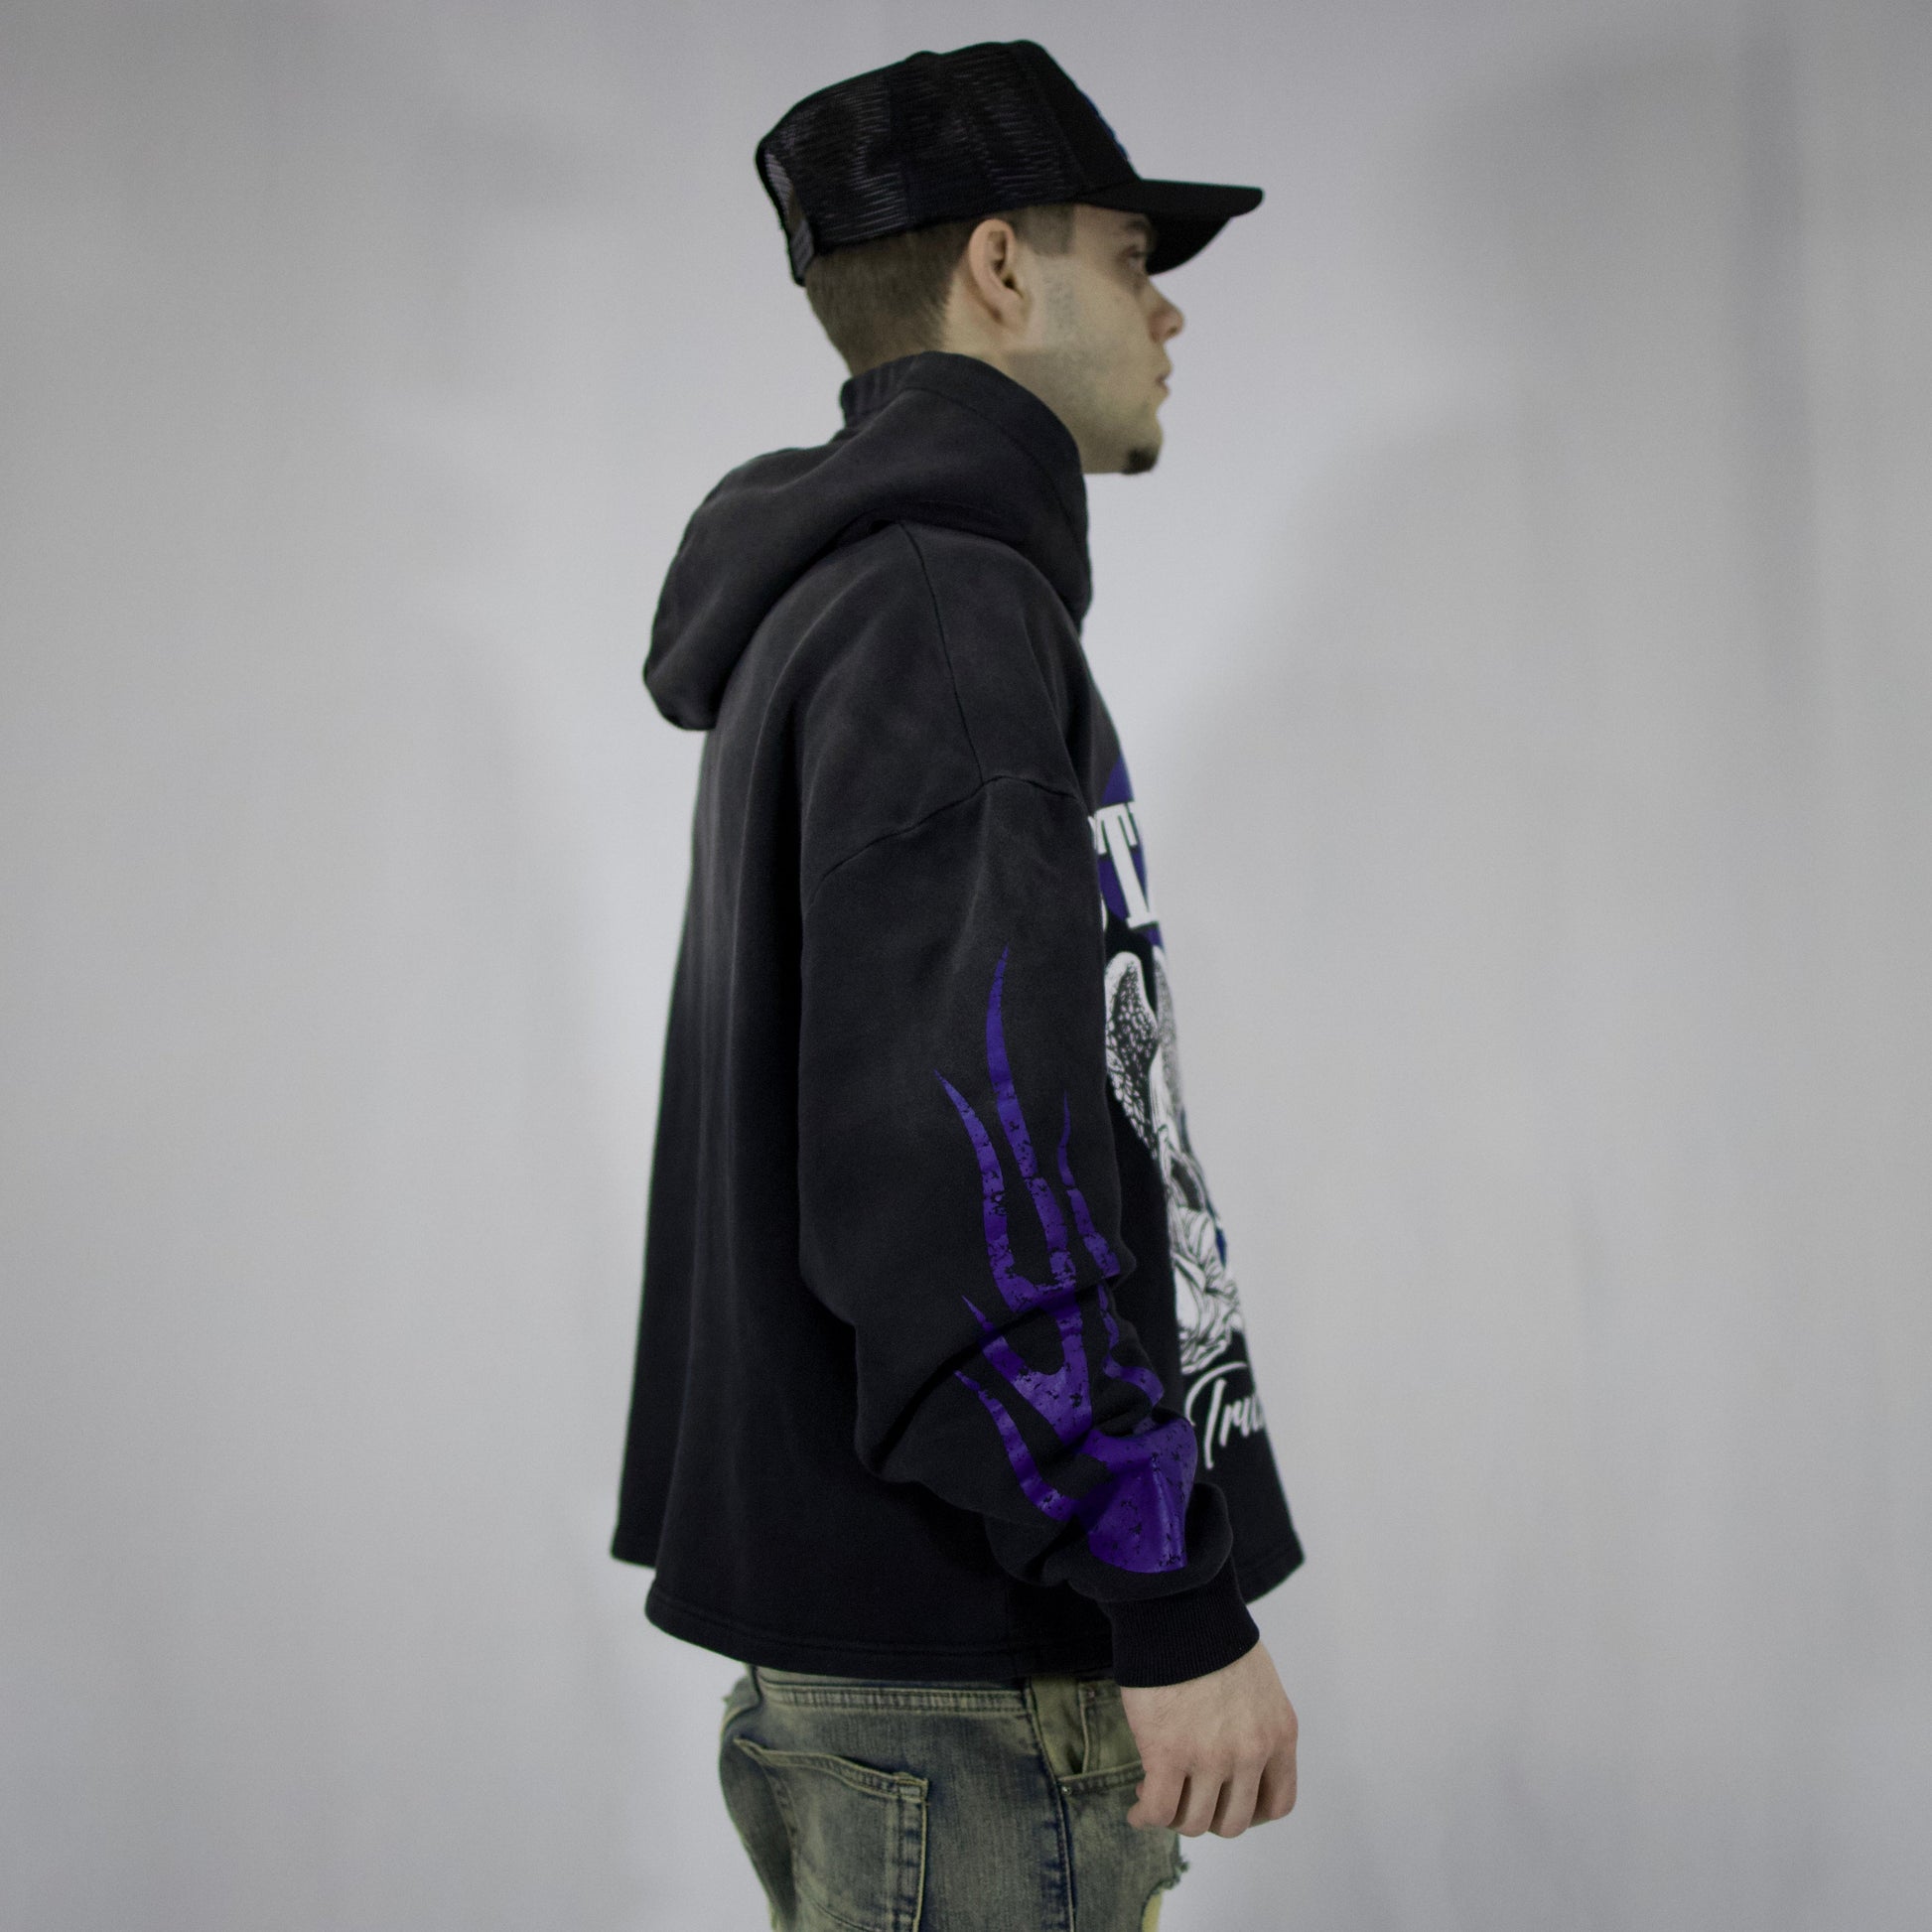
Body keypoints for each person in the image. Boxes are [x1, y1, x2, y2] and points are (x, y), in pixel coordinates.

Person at [613, 39, 1304, 1931]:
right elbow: (960, 1179)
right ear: (1001, 266)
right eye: (1130, 257)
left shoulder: (844, 599)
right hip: (980, 1667)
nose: (1167, 312)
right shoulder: (940, 610)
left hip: (900, 1659)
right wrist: (1169, 1593)